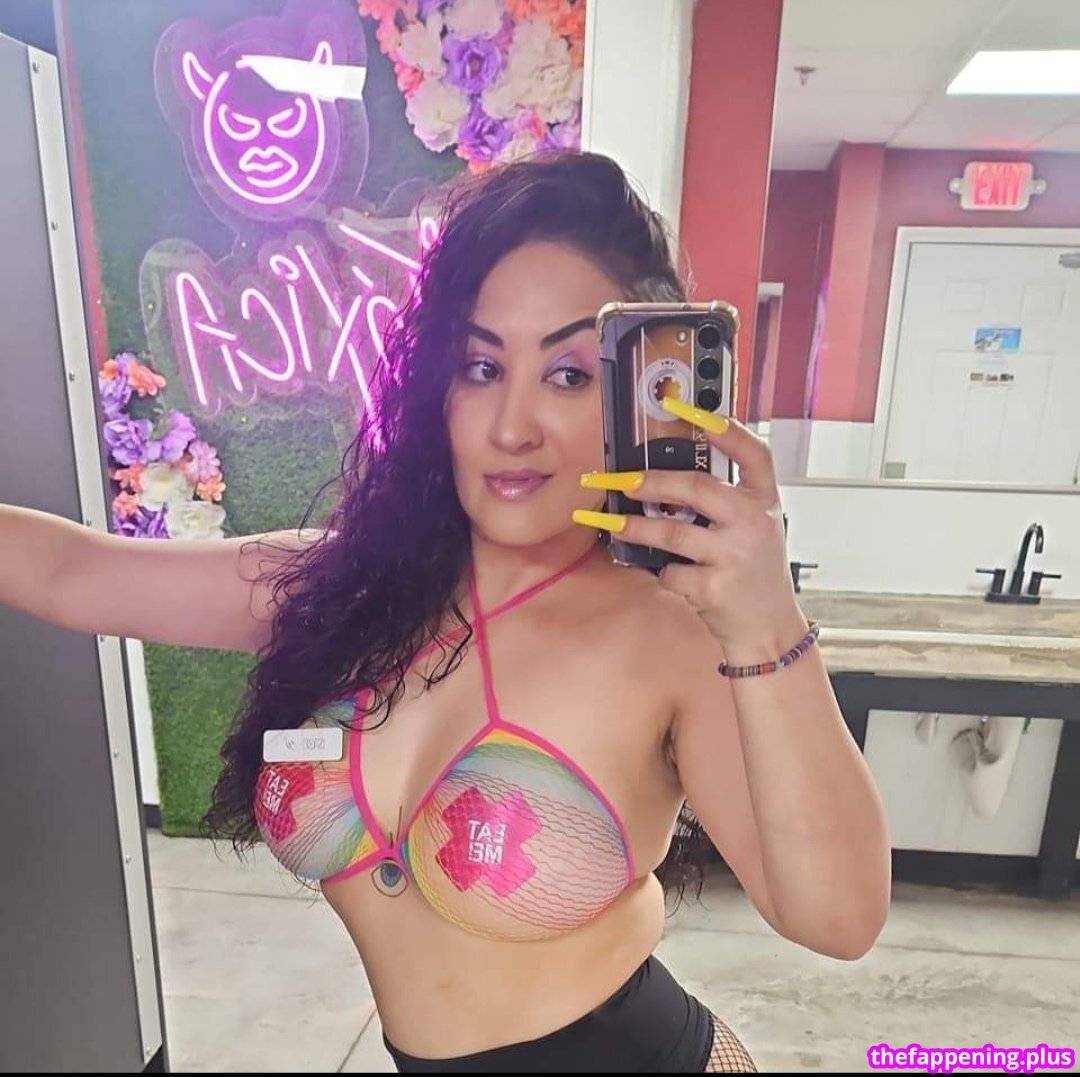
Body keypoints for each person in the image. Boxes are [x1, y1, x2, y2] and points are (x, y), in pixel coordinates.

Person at [0, 150, 890, 1072]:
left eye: (569, 375)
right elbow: (71, 574)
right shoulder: (342, 587)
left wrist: (768, 623)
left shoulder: (671, 633)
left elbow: (840, 918)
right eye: (481, 365)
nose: (512, 426)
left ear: (633, 397)